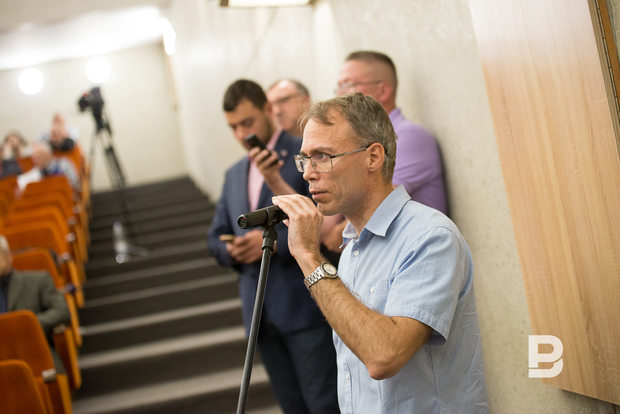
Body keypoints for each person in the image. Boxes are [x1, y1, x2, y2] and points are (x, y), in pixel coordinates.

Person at [272, 93, 488, 413]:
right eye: (305, 159)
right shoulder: (352, 249)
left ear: (373, 157)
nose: (308, 173)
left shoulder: (429, 237)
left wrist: (307, 255)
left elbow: (383, 356)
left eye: (322, 156)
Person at [207, 79, 339, 414]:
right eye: (233, 127)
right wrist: (232, 250)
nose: (241, 134)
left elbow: (325, 219)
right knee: (290, 406)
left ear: (268, 109)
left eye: (247, 123)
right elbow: (214, 236)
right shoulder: (234, 174)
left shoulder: (303, 152)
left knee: (324, 404)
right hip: (258, 314)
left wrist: (272, 243)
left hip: (303, 306)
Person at [336, 50, 447, 215]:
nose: (340, 95)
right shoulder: (361, 140)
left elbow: (376, 207)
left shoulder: (409, 137)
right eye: (339, 87)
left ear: (383, 91)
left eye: (349, 85)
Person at [0, 236, 71, 374]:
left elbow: (62, 312)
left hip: (36, 358)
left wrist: (29, 324)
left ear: (8, 255)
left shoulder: (37, 280)